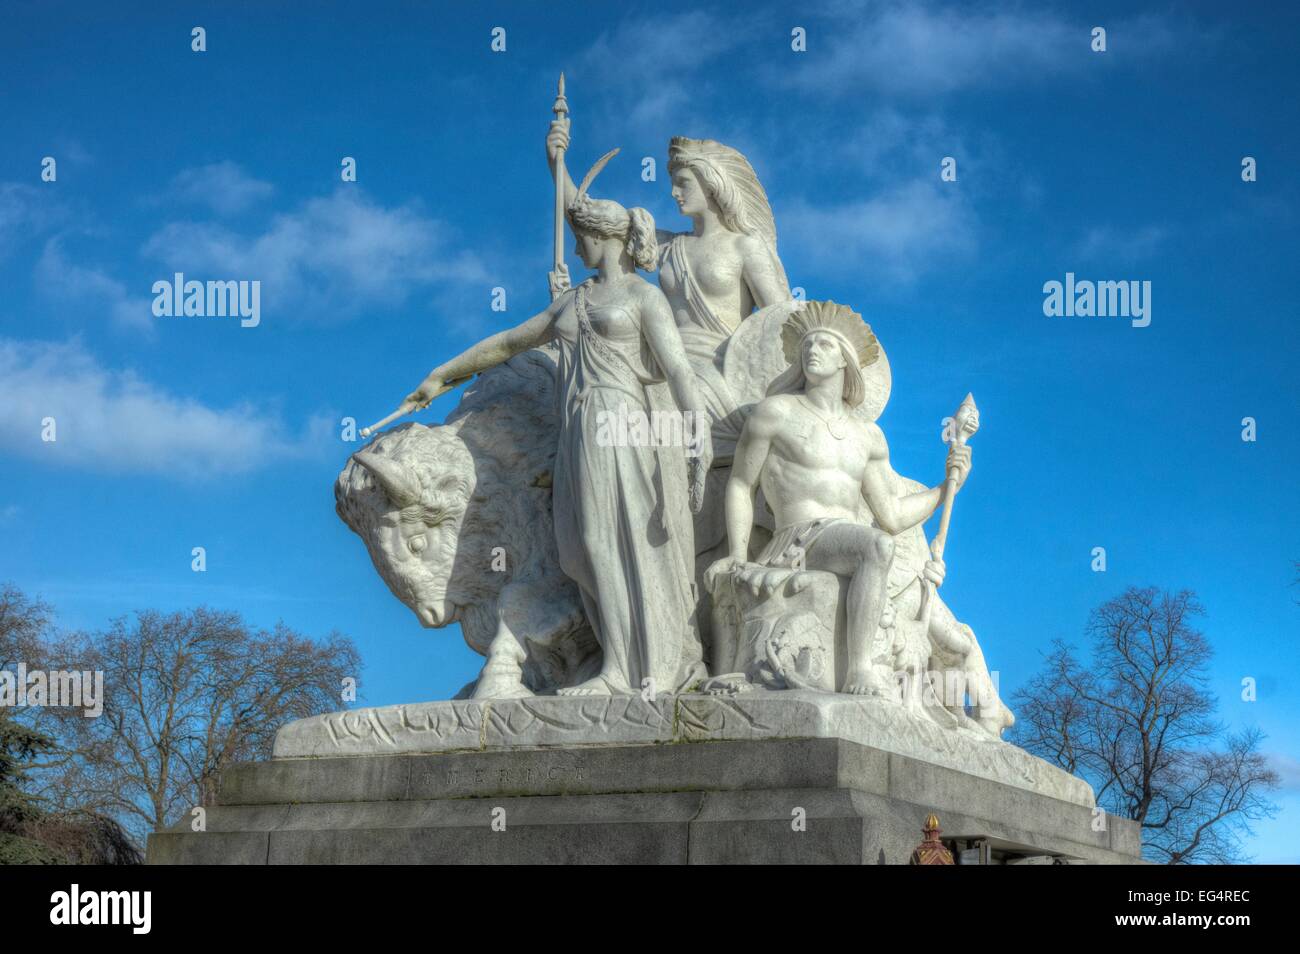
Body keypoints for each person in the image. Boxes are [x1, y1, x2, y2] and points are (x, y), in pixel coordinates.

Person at [391, 152, 712, 696]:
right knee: (587, 544)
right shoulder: (572, 301)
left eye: (581, 236)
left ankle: (636, 669)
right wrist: (440, 376)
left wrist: (694, 435)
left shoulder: (642, 296)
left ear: (602, 238)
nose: (578, 246)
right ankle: (617, 663)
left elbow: (679, 370)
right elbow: (510, 341)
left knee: (629, 540)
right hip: (579, 430)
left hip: (625, 425)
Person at [705, 301, 971, 696]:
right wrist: (738, 553)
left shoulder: (868, 436)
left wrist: (944, 489)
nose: (812, 349)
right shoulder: (775, 412)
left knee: (878, 543)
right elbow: (741, 484)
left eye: (825, 344)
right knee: (875, 545)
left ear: (845, 360)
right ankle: (859, 669)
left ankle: (862, 664)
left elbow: (893, 515)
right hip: (794, 539)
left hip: (843, 538)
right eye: (807, 344)